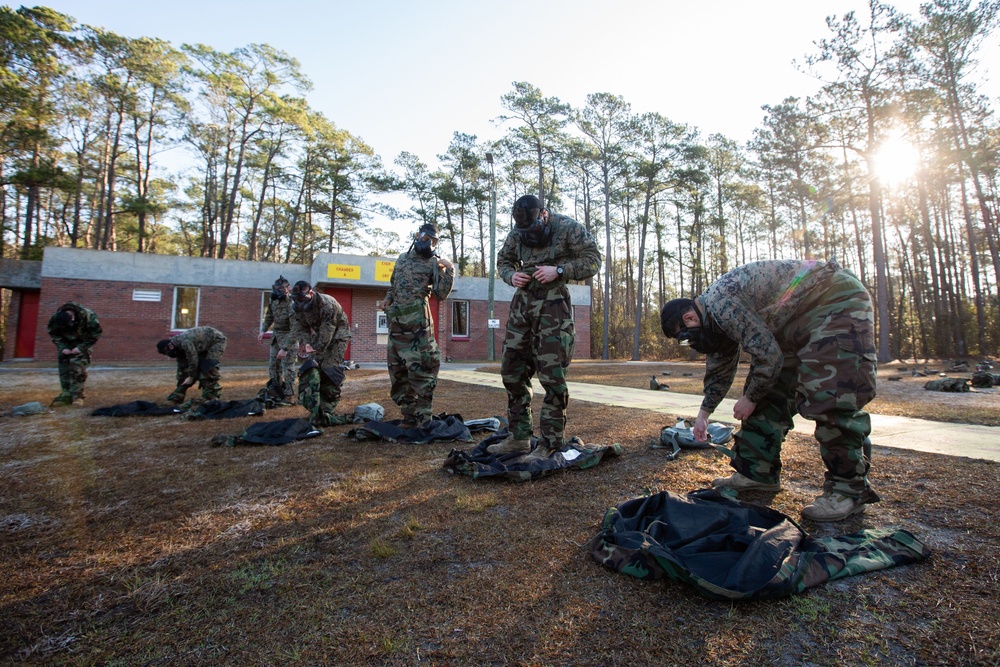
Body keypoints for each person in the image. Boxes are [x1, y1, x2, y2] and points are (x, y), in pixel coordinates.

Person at [659, 258, 878, 522]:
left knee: (829, 394)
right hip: (793, 318)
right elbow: (720, 370)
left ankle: (848, 490)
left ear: (689, 317)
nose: (689, 343)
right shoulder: (715, 322)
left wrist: (749, 397)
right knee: (765, 392)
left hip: (830, 298)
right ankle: (757, 472)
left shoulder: (720, 303)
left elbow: (768, 355)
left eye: (685, 336)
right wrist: (704, 416)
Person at [489, 194, 602, 461]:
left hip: (553, 306)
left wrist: (560, 271)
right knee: (512, 370)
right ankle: (519, 437)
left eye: (533, 229)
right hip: (523, 305)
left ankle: (550, 443)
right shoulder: (516, 234)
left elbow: (594, 259)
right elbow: (503, 261)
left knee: (552, 375)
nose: (528, 234)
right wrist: (510, 275)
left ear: (544, 215)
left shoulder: (567, 228)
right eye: (523, 231)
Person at [377, 223, 455, 427]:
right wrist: (387, 299)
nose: (428, 243)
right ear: (417, 236)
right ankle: (409, 415)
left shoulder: (434, 263)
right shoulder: (402, 259)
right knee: (398, 370)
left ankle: (424, 418)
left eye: (433, 240)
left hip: (418, 325)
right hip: (397, 323)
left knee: (422, 369)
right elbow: (393, 286)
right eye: (425, 238)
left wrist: (450, 270)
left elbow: (441, 294)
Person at [280, 280, 352, 427]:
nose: (299, 302)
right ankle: (315, 405)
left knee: (329, 369)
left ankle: (328, 408)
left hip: (337, 337)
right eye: (296, 299)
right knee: (313, 368)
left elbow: (328, 333)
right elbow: (302, 328)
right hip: (318, 336)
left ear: (310, 293)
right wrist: (306, 343)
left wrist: (316, 348)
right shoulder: (298, 307)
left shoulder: (328, 305)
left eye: (302, 298)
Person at [47, 302, 103, 406]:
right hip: (66, 344)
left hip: (83, 343)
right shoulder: (56, 318)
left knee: (77, 369)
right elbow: (54, 334)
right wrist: (62, 348)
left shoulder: (88, 315)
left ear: (72, 317)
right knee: (64, 369)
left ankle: (77, 396)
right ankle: (66, 395)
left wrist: (81, 348)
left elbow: (96, 333)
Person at [156, 326, 227, 406]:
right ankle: (176, 397)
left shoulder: (185, 343)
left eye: (167, 352)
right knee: (184, 372)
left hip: (215, 341)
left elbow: (193, 360)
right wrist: (184, 377)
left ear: (170, 346)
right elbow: (182, 366)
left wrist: (191, 377)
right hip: (200, 345)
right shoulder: (177, 347)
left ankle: (210, 397)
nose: (168, 355)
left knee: (207, 367)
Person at [257, 275, 297, 406]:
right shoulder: (273, 300)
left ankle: (289, 395)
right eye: (276, 288)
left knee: (288, 368)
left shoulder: (292, 304)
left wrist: (285, 348)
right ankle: (276, 390)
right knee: (273, 366)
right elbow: (269, 315)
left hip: (289, 338)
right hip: (276, 337)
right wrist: (263, 330)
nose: (278, 291)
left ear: (288, 288)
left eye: (281, 288)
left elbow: (295, 329)